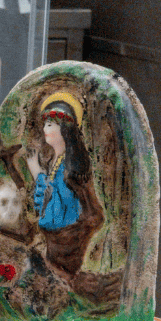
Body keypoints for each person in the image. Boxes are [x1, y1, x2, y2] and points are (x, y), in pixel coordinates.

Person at [24, 92, 103, 283]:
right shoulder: (57, 160)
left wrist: (36, 172)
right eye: (45, 124)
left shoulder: (69, 167)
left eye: (50, 125)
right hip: (56, 237)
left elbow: (59, 207)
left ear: (65, 130)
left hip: (64, 240)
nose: (44, 129)